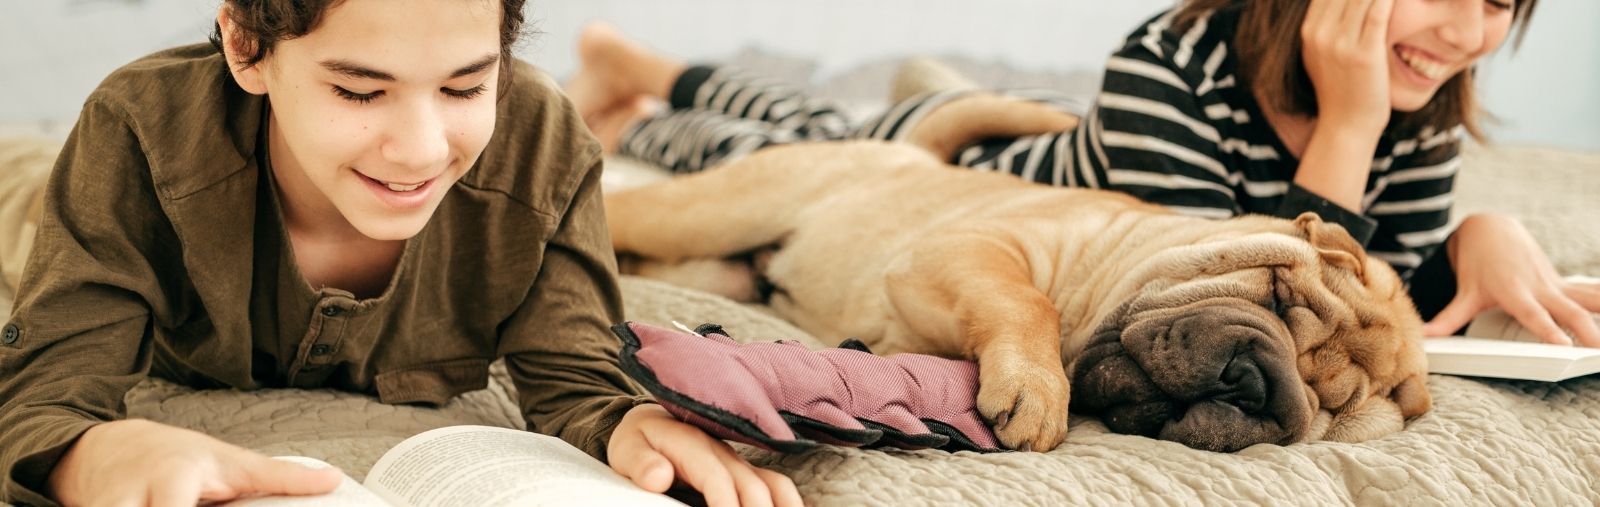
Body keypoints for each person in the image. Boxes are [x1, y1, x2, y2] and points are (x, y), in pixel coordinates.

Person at [0, 1, 800, 506]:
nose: (419, 152)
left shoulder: (544, 150)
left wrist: (624, 424)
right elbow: (42, 401)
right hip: (43, 198)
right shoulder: (138, 131)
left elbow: (575, 379)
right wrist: (88, 455)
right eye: (358, 90)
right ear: (246, 47)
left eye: (464, 88)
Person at [568, 0, 1600, 348]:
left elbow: (1371, 284)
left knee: (815, 117)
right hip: (974, 171)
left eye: (1502, 0)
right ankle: (641, 74)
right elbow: (1235, 284)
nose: (1470, 32)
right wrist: (1349, 123)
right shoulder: (1175, 61)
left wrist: (1475, 238)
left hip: (1048, 160)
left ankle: (641, 71)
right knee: (782, 140)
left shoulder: (1420, 115)